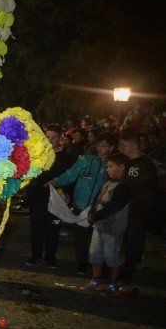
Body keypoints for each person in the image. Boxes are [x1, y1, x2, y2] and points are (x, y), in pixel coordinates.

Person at [47, 131, 117, 274]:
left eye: (104, 145)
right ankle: (82, 263)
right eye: (98, 144)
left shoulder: (113, 165)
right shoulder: (86, 159)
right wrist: (56, 181)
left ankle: (99, 266)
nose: (100, 148)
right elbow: (71, 174)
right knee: (81, 238)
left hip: (100, 208)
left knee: (100, 239)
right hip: (81, 205)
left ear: (111, 148)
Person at [80, 153, 130, 295]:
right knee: (95, 253)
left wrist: (96, 216)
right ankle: (96, 280)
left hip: (113, 227)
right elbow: (98, 200)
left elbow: (114, 206)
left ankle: (113, 283)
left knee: (111, 256)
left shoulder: (124, 187)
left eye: (110, 166)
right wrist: (92, 212)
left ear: (121, 167)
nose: (107, 169)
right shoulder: (108, 183)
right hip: (100, 225)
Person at [25, 124, 75, 267]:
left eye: (54, 137)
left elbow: (71, 177)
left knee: (53, 230)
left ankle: (50, 258)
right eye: (47, 136)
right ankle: (36, 256)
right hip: (37, 199)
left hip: (56, 200)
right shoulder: (38, 154)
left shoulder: (66, 158)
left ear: (60, 138)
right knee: (36, 229)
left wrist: (68, 195)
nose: (50, 139)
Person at [117, 131, 158, 280]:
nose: (120, 149)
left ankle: (129, 271)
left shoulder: (146, 164)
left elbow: (147, 189)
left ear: (134, 145)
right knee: (124, 241)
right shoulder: (126, 163)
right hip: (123, 210)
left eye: (123, 145)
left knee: (134, 242)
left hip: (138, 211)